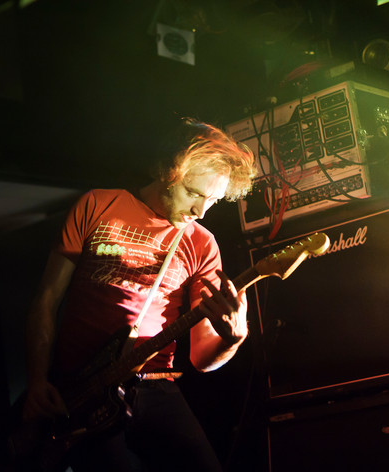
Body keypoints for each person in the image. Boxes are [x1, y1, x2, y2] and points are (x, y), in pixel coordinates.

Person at [20, 117, 256, 471]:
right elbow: (45, 302)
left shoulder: (202, 243)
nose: (200, 211)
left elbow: (201, 360)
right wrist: (38, 379)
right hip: (83, 387)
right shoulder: (97, 205)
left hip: (155, 387)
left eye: (213, 201)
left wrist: (232, 340)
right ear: (166, 170)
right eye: (193, 193)